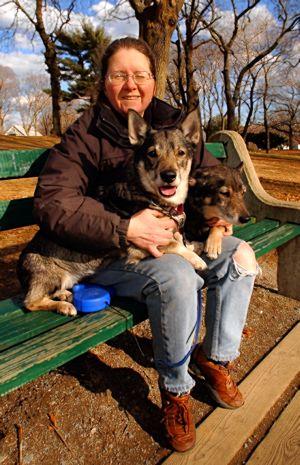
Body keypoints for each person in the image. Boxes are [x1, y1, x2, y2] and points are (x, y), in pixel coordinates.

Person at [34, 37, 259, 452]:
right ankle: (176, 391)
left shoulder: (173, 120)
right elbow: (54, 202)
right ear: (105, 82)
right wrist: (124, 228)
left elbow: (211, 178)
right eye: (120, 75)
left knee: (241, 257)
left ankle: (214, 358)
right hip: (110, 252)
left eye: (140, 75)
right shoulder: (85, 135)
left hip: (177, 234)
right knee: (178, 277)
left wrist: (219, 220)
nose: (131, 84)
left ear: (153, 80)